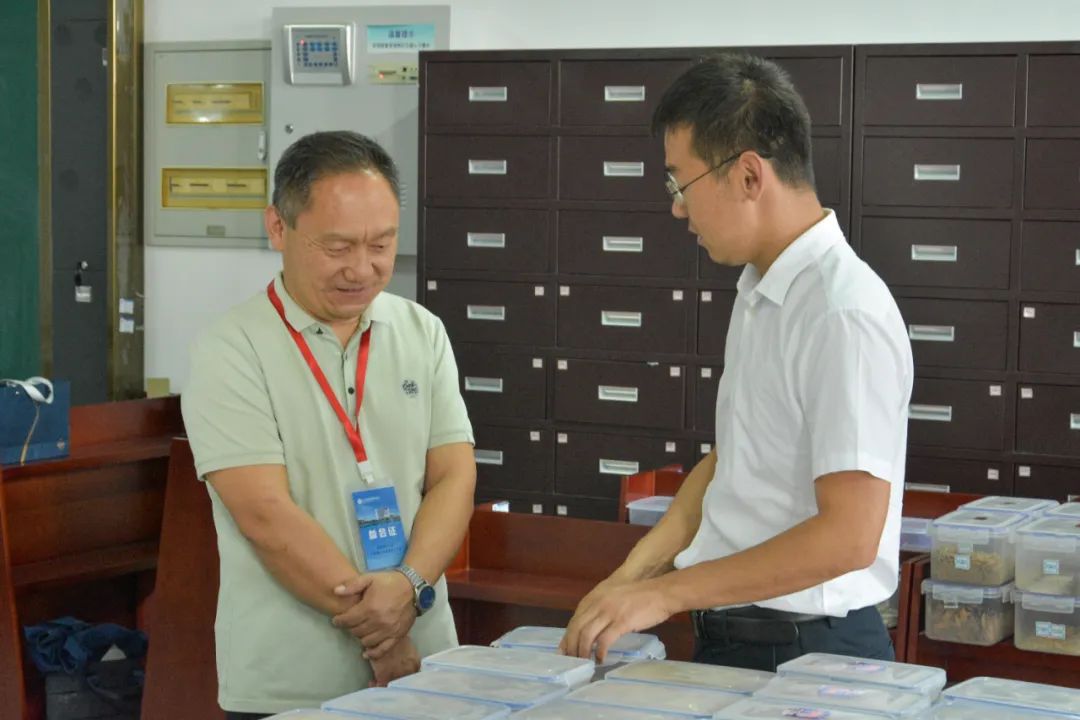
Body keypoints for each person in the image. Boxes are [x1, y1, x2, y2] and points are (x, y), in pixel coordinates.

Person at [560, 54, 913, 672]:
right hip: (737, 634)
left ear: (749, 175)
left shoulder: (842, 311)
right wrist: (630, 577)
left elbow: (850, 536)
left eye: (682, 183)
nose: (677, 208)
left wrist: (665, 594)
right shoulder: (762, 291)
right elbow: (734, 462)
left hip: (810, 651)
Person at [182, 130, 476, 718]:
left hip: (428, 667)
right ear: (278, 227)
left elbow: (454, 477)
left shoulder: (422, 332)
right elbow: (265, 514)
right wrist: (384, 636)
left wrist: (409, 585)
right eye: (337, 247)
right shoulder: (231, 349)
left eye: (382, 244)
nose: (362, 269)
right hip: (292, 679)